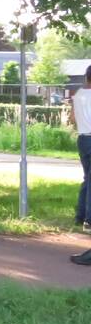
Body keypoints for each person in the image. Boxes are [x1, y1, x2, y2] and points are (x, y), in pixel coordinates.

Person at [68, 65, 91, 233]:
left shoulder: (77, 94)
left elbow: (72, 118)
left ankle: (80, 216)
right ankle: (88, 220)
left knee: (87, 179)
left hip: (82, 139)